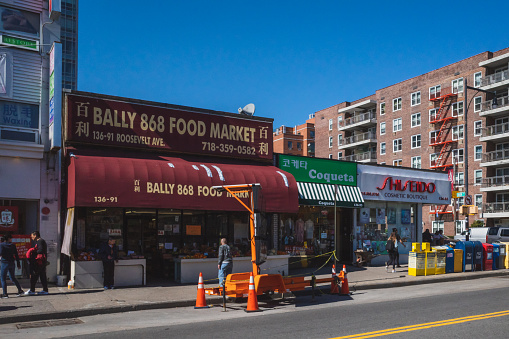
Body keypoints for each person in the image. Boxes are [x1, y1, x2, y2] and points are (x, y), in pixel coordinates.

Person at [0, 233, 24, 298]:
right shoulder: (13, 246)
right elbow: (16, 255)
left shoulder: (1, 245)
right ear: (8, 239)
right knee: (12, 277)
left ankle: (5, 294)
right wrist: (18, 263)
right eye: (11, 238)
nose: (11, 239)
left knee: (3, 278)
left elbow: (0, 253)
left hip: (4, 262)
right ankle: (20, 290)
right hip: (12, 263)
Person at [25, 231, 49, 296]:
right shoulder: (41, 241)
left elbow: (40, 250)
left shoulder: (40, 241)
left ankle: (32, 290)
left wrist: (33, 251)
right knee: (42, 275)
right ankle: (45, 290)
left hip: (39, 262)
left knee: (34, 276)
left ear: (35, 235)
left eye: (32, 236)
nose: (31, 237)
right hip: (42, 262)